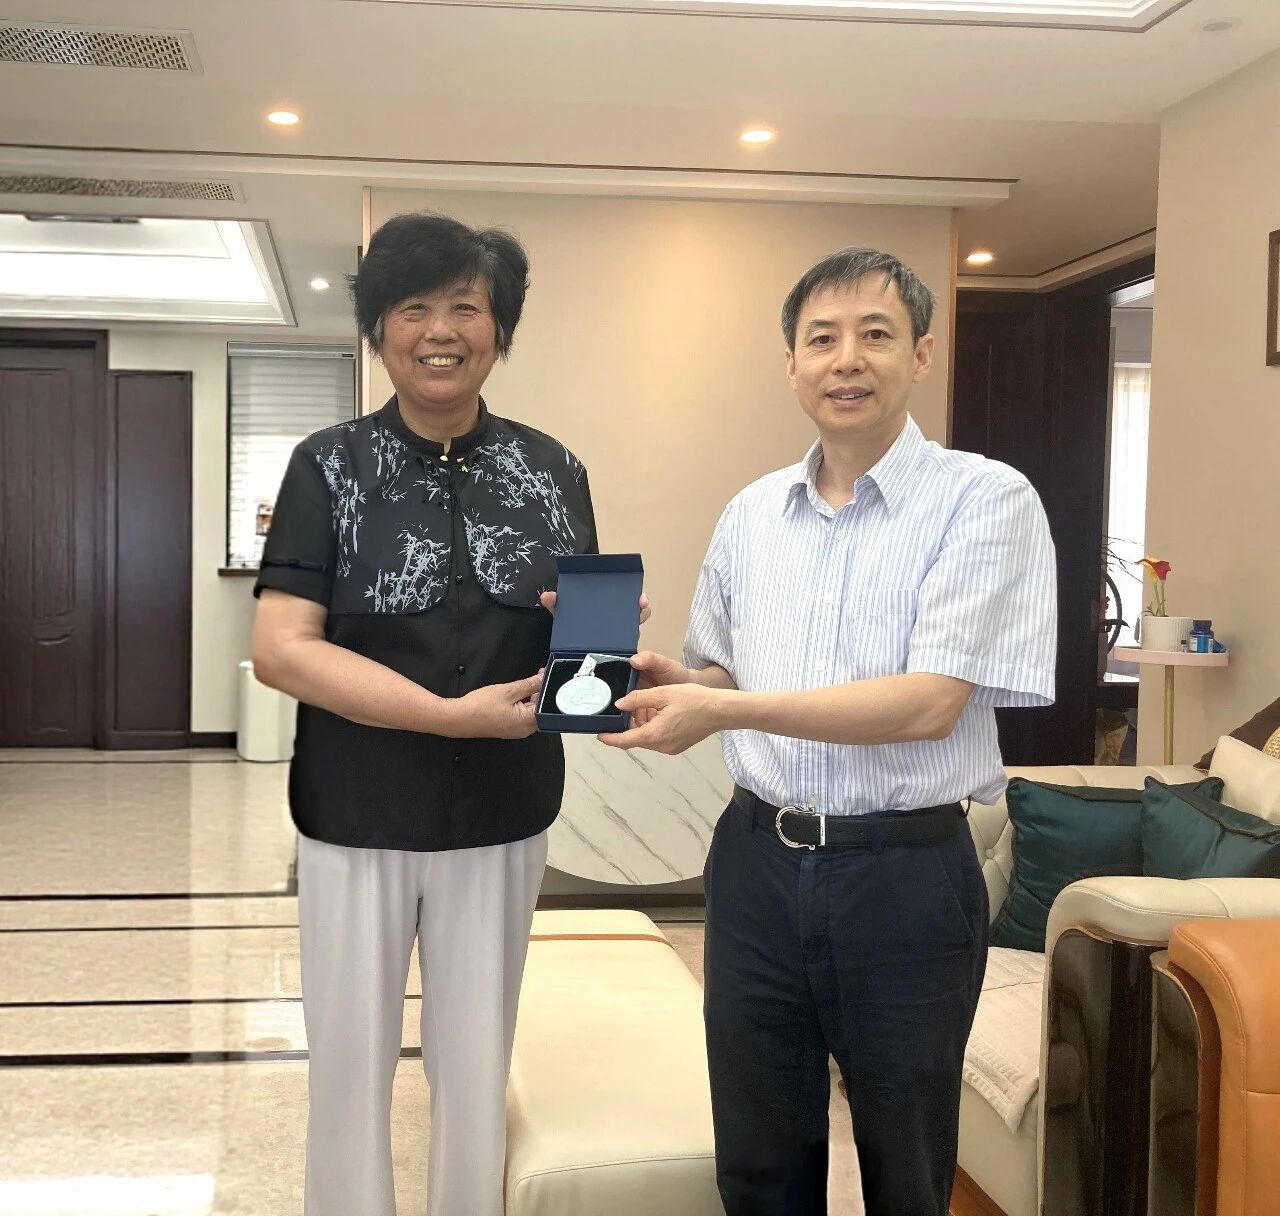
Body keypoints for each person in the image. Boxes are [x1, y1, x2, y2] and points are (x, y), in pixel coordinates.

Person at [602, 247, 1057, 1216]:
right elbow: (725, 673)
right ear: (791, 363)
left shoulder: (984, 498)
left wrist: (724, 708)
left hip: (904, 878)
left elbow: (928, 702)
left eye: (874, 334)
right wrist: (680, 684)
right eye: (821, 339)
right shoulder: (751, 513)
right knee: (758, 1156)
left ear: (920, 353)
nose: (846, 359)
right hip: (754, 865)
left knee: (905, 1162)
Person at [252, 212, 643, 1216]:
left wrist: (598, 645)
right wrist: (442, 714)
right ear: (379, 329)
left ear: (498, 329)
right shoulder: (326, 466)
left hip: (502, 811)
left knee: (477, 1068)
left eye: (464, 307)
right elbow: (282, 648)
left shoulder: (553, 469)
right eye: (413, 307)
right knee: (349, 1068)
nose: (439, 330)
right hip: (356, 810)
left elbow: (575, 653)